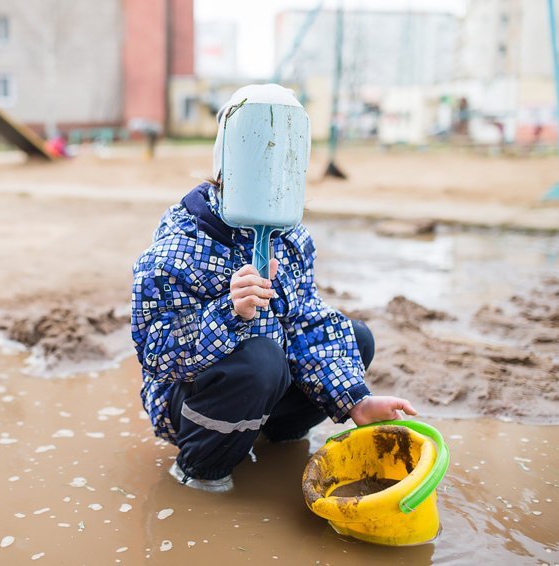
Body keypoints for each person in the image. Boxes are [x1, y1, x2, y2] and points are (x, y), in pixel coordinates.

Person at [130, 84, 417, 493]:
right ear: (226, 165)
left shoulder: (291, 238)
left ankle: (273, 437)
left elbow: (304, 323)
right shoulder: (178, 249)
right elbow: (158, 357)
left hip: (265, 386)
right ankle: (201, 466)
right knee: (261, 361)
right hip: (191, 401)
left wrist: (355, 400)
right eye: (257, 163)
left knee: (355, 338)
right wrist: (228, 312)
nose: (271, 175)